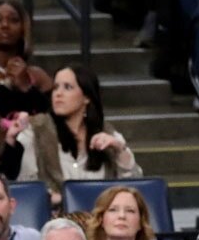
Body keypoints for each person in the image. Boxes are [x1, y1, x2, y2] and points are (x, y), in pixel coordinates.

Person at [15, 65, 141, 208]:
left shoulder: (107, 133)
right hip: (54, 221)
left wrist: (119, 150)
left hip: (98, 221)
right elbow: (27, 189)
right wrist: (57, 199)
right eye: (56, 87)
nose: (58, 94)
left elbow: (135, 188)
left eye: (67, 87)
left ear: (86, 97)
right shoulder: (35, 131)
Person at [0, 1, 53, 117]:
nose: (5, 25)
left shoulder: (37, 76)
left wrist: (27, 87)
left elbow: (53, 118)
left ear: (23, 28)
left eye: (14, 20)